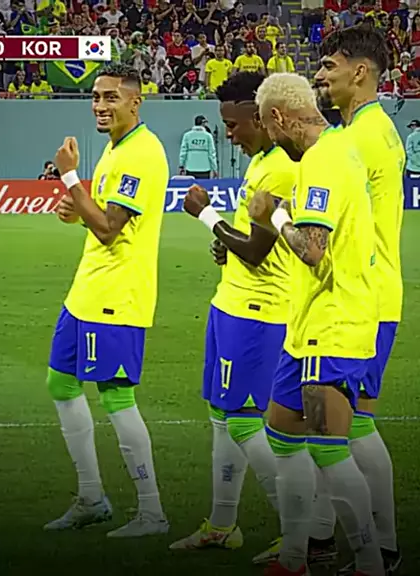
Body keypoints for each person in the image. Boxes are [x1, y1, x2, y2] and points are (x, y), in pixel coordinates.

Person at [251, 72, 384, 576]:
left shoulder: (322, 160)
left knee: (329, 450)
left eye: (267, 126)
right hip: (311, 322)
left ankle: (370, 561)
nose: (269, 137)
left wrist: (273, 215)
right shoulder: (337, 149)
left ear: (278, 117)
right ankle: (295, 557)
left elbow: (311, 249)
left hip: (332, 324)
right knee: (282, 431)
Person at [170, 72, 296, 551]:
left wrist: (206, 215)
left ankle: (299, 531)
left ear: (261, 118)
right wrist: (227, 243)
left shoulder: (280, 168)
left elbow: (259, 252)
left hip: (260, 310)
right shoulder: (260, 162)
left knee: (243, 418)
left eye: (234, 124)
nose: (229, 134)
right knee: (222, 414)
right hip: (231, 302)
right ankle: (222, 525)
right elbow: (249, 239)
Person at [45, 63, 170, 538]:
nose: (100, 105)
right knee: (60, 382)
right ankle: (92, 497)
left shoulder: (141, 153)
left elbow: (110, 228)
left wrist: (70, 179)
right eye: (96, 97)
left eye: (111, 97)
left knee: (116, 396)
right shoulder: (116, 147)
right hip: (87, 290)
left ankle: (152, 512)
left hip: (117, 294)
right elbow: (98, 216)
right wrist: (76, 207)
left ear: (136, 102)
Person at [310, 26, 404, 575]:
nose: (321, 75)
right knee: (352, 423)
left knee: (337, 429)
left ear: (360, 71)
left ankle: (366, 548)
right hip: (376, 293)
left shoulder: (356, 139)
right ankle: (363, 545)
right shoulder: (376, 128)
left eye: (330, 65)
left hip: (358, 297)